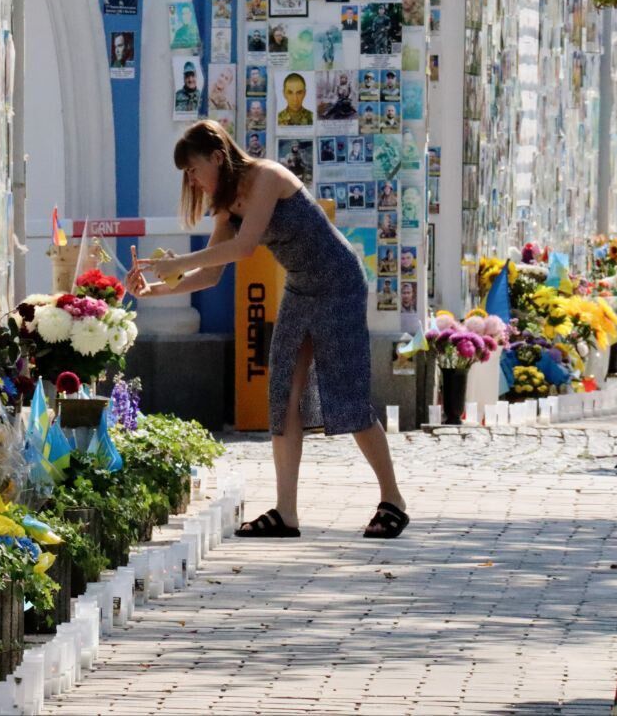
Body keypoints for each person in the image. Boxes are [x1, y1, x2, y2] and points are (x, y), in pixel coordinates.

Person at [126, 121, 408, 540]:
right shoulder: (226, 204)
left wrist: (175, 265)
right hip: (301, 286)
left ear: (218, 158)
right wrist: (152, 290)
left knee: (346, 397)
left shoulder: (266, 177)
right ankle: (286, 514)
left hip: (338, 282)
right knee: (283, 396)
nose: (192, 179)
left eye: (193, 168)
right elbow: (212, 274)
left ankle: (393, 501)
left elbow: (244, 247)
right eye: (185, 173)